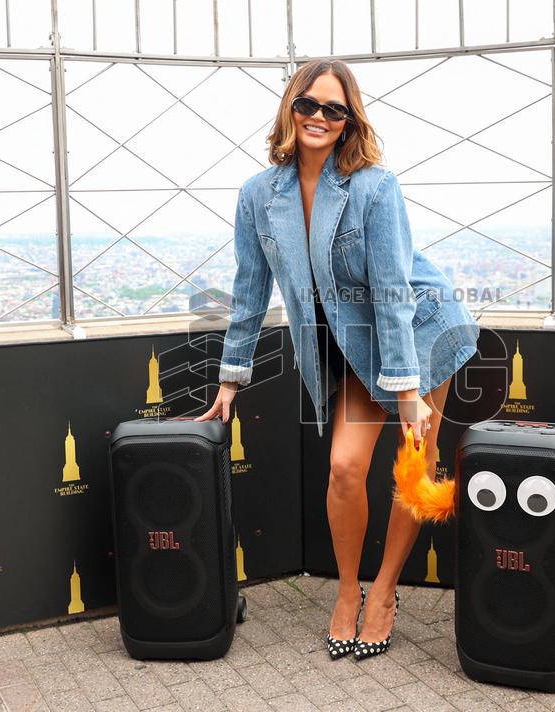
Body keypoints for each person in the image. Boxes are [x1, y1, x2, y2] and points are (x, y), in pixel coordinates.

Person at [196, 59, 480, 661]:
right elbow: (250, 290)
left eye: (334, 109)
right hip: (347, 346)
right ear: (289, 107)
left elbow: (393, 292)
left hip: (417, 333)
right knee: (346, 468)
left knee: (412, 468)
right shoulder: (258, 195)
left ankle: (385, 591)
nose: (318, 117)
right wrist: (230, 378)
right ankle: (349, 589)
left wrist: (407, 392)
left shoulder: (374, 186)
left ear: (349, 121)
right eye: (308, 104)